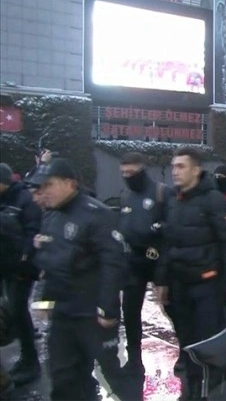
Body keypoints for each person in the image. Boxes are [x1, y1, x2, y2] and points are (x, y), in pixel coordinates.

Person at [26, 159, 131, 399]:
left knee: (112, 374)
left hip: (91, 313)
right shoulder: (51, 216)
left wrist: (108, 309)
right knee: (62, 374)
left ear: (69, 184)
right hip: (63, 313)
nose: (44, 191)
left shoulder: (97, 215)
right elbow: (47, 263)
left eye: (49, 185)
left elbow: (112, 265)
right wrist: (44, 303)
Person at [154, 148, 226, 398]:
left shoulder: (213, 199)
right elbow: (167, 243)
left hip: (207, 283)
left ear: (196, 170)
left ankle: (213, 386)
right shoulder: (173, 199)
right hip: (179, 283)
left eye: (181, 166)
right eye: (173, 166)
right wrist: (161, 280)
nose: (175, 171)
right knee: (186, 342)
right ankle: (192, 389)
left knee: (206, 342)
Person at [116, 153, 172, 377]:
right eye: (124, 173)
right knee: (129, 311)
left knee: (171, 309)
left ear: (142, 169)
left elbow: (170, 230)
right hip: (134, 262)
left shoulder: (161, 192)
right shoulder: (126, 196)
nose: (127, 177)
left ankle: (188, 356)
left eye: (131, 172)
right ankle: (134, 358)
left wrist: (163, 276)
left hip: (158, 260)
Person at [0, 163, 43, 387]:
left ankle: (30, 361)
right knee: (11, 311)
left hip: (21, 269)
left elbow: (33, 232)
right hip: (4, 266)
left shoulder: (24, 200)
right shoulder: (5, 200)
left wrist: (25, 258)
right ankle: (24, 359)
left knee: (18, 310)